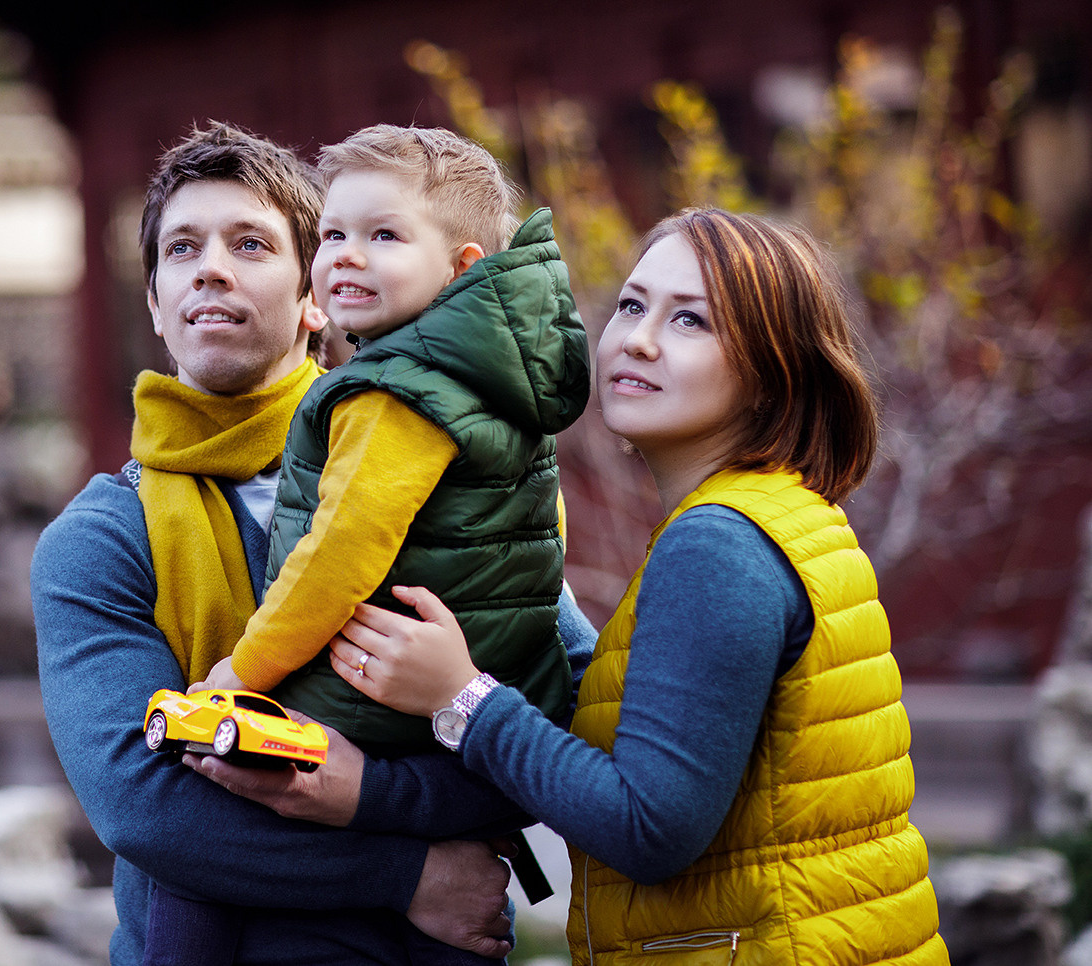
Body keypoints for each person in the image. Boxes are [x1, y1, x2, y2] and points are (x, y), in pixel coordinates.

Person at [209, 208, 949, 963]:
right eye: (632, 304)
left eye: (691, 320)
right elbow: (647, 725)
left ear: (771, 373)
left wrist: (461, 699)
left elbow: (648, 828)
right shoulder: (779, 516)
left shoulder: (718, 547)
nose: (639, 338)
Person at [31, 121, 598, 966]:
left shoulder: (448, 468)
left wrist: (371, 792)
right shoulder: (102, 538)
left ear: (316, 295)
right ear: (154, 301)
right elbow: (143, 806)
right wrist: (406, 871)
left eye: (250, 243)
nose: (211, 266)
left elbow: (553, 700)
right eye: (181, 248)